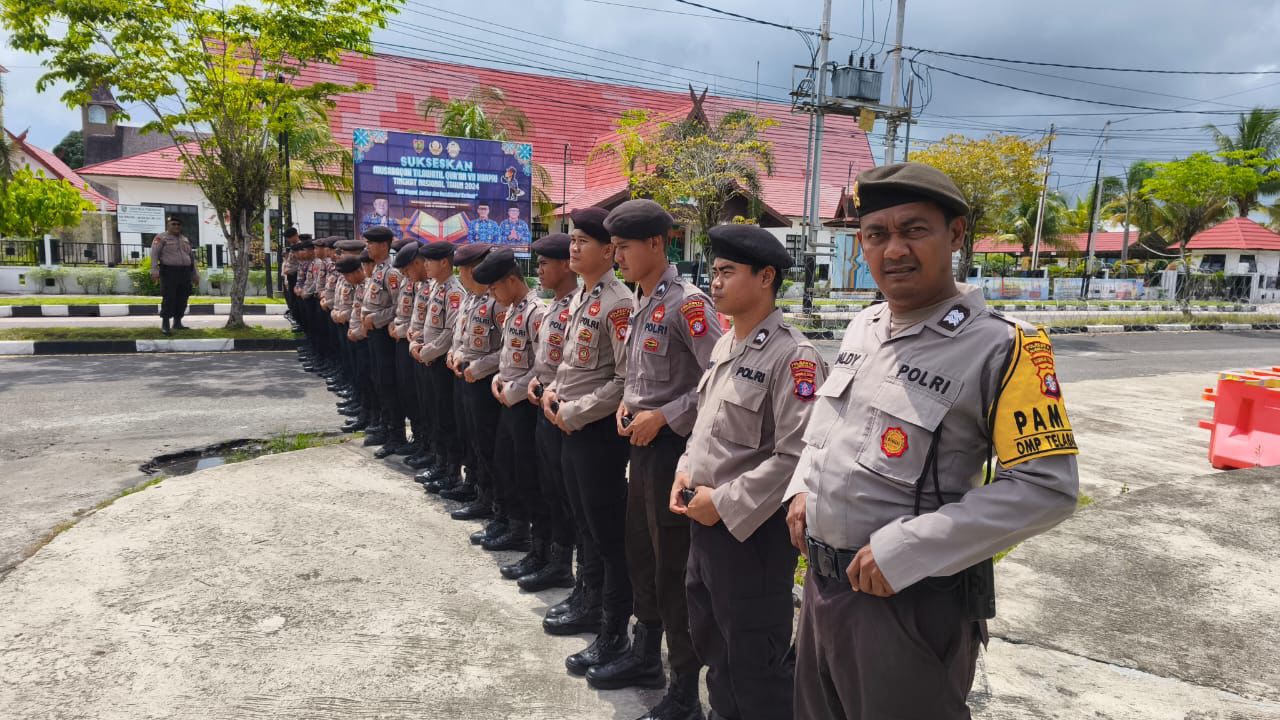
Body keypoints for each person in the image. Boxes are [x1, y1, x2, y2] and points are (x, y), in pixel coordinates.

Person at [784, 163, 1080, 720]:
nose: (893, 249)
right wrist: (801, 489)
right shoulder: (864, 327)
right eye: (876, 234)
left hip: (908, 606)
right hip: (822, 593)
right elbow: (827, 428)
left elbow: (1048, 488)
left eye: (913, 229)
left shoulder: (1001, 347)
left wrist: (908, 550)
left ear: (957, 233)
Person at [671, 224, 825, 720]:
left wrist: (724, 503)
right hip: (705, 524)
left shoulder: (793, 357)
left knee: (756, 664)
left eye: (728, 272)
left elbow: (797, 456)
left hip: (750, 536)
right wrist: (683, 470)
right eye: (714, 272)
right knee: (713, 646)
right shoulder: (725, 346)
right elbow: (706, 426)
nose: (715, 283)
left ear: (766, 278)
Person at [586, 200, 722, 712]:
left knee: (672, 568)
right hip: (641, 450)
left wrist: (663, 416)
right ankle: (646, 654)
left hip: (673, 452)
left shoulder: (688, 304)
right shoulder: (643, 302)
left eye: (623, 247)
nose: (616, 255)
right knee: (639, 552)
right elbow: (638, 378)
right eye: (614, 246)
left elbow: (716, 380)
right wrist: (627, 405)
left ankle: (685, 684)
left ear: (658, 244)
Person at [540, 207, 635, 676]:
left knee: (606, 533)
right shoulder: (582, 297)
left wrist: (575, 411)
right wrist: (556, 390)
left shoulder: (618, 302)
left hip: (595, 434)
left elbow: (624, 380)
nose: (573, 247)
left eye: (582, 241)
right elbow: (572, 365)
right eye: (571, 240)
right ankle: (587, 596)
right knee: (582, 521)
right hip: (570, 429)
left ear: (608, 251)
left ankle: (614, 629)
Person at [474, 247, 550, 557]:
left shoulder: (535, 312)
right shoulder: (515, 309)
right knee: (504, 463)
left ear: (510, 280)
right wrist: (498, 379)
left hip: (524, 406)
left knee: (524, 471)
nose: (492, 294)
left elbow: (542, 366)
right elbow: (508, 357)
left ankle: (524, 531)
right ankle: (510, 522)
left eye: (494, 287)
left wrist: (515, 388)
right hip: (507, 401)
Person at [521, 233, 581, 597]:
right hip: (544, 404)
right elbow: (543, 361)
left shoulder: (577, 306)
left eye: (545, 264)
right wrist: (534, 382)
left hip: (568, 412)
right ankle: (549, 556)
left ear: (564, 265)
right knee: (546, 488)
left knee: (566, 495)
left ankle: (563, 565)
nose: (539, 271)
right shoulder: (555, 307)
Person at [446, 243, 506, 530]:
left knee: (488, 445)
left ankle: (493, 502)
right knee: (470, 438)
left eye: (464, 269)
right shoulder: (471, 299)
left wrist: (479, 367)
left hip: (485, 385)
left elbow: (508, 351)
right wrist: (454, 353)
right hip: (464, 378)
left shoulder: (498, 302)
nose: (461, 275)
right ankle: (477, 490)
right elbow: (461, 337)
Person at [412, 241, 467, 495]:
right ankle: (439, 462)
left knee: (446, 419)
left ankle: (451, 471)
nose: (425, 265)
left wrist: (426, 352)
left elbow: (449, 332)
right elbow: (426, 324)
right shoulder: (434, 287)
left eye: (429, 261)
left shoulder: (454, 291)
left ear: (444, 262)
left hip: (440, 365)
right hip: (427, 360)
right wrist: (417, 343)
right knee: (432, 414)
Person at [359, 226, 406, 451]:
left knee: (388, 384)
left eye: (371, 243)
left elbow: (399, 307)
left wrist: (376, 318)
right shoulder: (377, 269)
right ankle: (385, 426)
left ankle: (396, 434)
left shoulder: (392, 272)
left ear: (384, 246)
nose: (367, 246)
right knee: (378, 380)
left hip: (385, 336)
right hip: (374, 334)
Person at [390, 238, 426, 461]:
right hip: (410, 344)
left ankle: (427, 445)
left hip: (422, 350)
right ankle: (421, 440)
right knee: (410, 394)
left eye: (406, 267)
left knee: (422, 400)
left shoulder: (430, 287)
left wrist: (406, 333)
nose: (404, 272)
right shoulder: (416, 284)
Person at [149, 217, 199, 334]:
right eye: (174, 224)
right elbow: (154, 255)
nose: (176, 226)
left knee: (183, 297)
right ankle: (165, 324)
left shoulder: (184, 239)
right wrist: (154, 271)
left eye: (178, 224)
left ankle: (177, 322)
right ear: (168, 225)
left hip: (185, 272)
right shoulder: (161, 238)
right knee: (169, 297)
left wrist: (195, 274)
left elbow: (191, 258)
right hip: (169, 272)